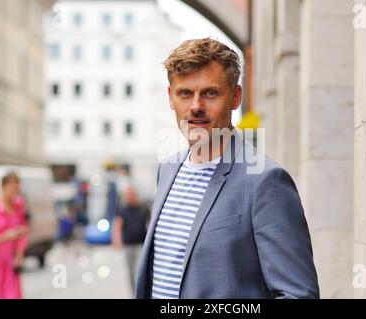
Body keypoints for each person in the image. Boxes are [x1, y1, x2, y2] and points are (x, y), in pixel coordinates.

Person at [136, 38, 319, 299]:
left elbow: (298, 294)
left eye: (210, 93)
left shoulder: (265, 181)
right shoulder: (167, 170)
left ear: (235, 97)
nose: (196, 107)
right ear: (170, 97)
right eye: (185, 93)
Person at [0, 172, 28, 299]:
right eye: (12, 189)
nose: (15, 193)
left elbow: (23, 230)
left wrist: (19, 255)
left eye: (17, 190)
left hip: (12, 262)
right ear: (3, 187)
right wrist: (5, 236)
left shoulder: (19, 205)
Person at [112, 186, 147, 296]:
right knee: (131, 271)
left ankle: (141, 292)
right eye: (129, 195)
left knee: (138, 270)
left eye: (132, 194)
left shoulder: (142, 208)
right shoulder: (123, 210)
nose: (131, 196)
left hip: (141, 244)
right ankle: (134, 294)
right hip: (129, 244)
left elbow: (150, 224)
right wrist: (116, 240)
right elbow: (118, 225)